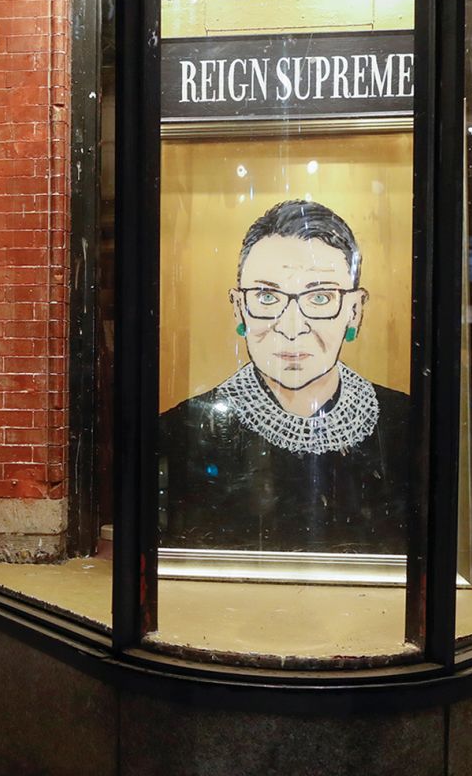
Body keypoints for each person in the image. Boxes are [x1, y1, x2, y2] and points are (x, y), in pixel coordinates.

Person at [160, 199, 411, 552]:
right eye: (266, 296)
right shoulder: (182, 431)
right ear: (239, 308)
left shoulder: (406, 424)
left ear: (354, 311)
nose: (292, 328)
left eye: (321, 298)